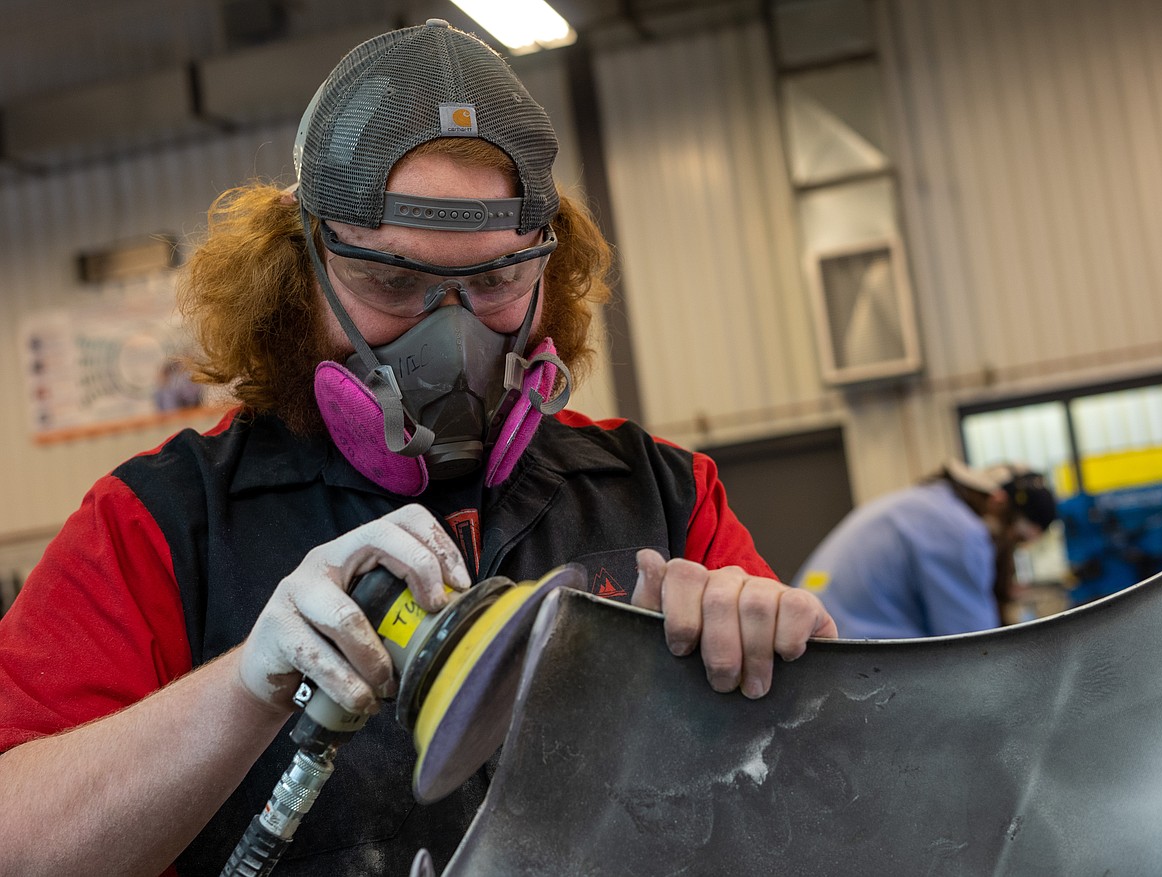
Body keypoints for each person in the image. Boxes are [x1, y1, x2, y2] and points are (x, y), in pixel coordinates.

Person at [0, 20, 837, 876]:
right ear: (302, 270)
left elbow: (826, 797)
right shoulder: (160, 524)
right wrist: (246, 686)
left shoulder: (664, 495)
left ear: (548, 267)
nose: (454, 335)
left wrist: (785, 662)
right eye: (394, 282)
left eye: (496, 279)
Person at [795, 459, 1057, 639]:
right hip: (848, 653)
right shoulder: (960, 530)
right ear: (998, 503)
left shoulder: (928, 504)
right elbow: (976, 648)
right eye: (1015, 539)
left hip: (817, 638)